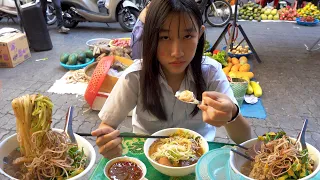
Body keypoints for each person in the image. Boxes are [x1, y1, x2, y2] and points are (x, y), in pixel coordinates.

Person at [92, 0, 251, 160]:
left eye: (187, 36)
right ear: (151, 38)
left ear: (200, 33)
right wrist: (107, 142)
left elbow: (245, 139)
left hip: (198, 157)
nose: (177, 52)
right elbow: (107, 126)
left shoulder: (211, 72)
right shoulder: (136, 75)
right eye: (165, 37)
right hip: (147, 158)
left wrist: (232, 114)